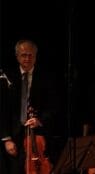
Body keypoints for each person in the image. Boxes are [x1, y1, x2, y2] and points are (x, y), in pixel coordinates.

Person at [1, 40, 61, 173]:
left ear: (36, 56)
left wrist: (40, 120)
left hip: (38, 135)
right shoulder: (6, 77)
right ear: (17, 56)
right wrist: (6, 139)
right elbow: (2, 110)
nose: (27, 58)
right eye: (23, 55)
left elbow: (53, 107)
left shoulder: (47, 78)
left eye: (31, 55)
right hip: (14, 136)